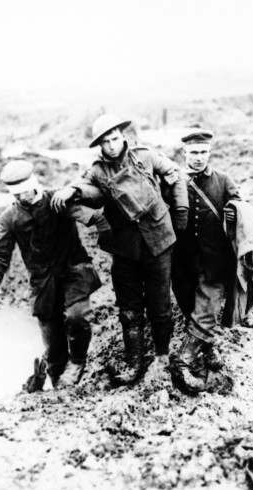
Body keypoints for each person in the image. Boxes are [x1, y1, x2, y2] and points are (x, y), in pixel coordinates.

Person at [51, 114, 189, 385]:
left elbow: (176, 175)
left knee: (160, 305)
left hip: (159, 241)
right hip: (125, 249)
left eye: (115, 139)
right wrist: (91, 212)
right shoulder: (97, 171)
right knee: (129, 308)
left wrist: (181, 212)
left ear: (123, 137)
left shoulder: (146, 157)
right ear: (99, 146)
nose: (112, 145)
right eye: (105, 142)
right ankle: (134, 361)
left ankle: (161, 357)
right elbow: (77, 193)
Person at [0, 159, 102, 391]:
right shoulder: (9, 218)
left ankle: (77, 362)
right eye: (15, 194)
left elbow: (95, 196)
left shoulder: (58, 199)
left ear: (34, 182)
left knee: (77, 317)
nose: (20, 197)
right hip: (43, 285)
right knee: (54, 345)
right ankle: (58, 389)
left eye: (24, 191)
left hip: (73, 271)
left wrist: (74, 189)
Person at [170, 129, 242, 394]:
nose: (198, 158)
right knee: (192, 308)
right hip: (182, 261)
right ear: (184, 153)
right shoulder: (173, 181)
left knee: (207, 306)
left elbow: (240, 207)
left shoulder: (223, 181)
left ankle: (182, 361)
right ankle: (207, 347)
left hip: (214, 261)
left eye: (203, 152)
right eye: (193, 152)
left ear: (209, 152)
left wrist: (234, 211)